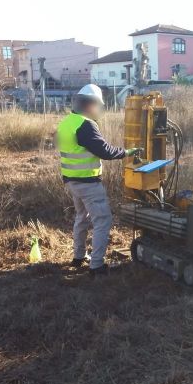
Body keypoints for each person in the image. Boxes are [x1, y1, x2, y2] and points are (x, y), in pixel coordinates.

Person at [57, 84, 142, 274]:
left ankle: (78, 257)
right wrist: (126, 152)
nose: (98, 110)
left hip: (72, 181)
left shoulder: (66, 122)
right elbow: (104, 151)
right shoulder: (85, 124)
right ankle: (96, 265)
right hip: (88, 183)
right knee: (102, 220)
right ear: (90, 104)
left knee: (82, 217)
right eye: (97, 106)